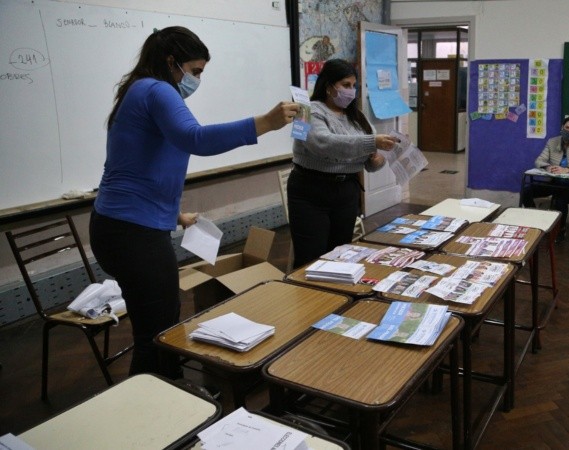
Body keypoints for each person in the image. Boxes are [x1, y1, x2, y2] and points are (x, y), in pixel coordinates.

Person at [89, 26, 300, 378]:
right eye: (196, 71)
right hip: (132, 233)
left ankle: (163, 399)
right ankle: (160, 407)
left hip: (120, 227)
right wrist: (265, 123)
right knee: (159, 332)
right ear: (172, 62)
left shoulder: (140, 89)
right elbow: (195, 138)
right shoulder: (158, 89)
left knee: (157, 324)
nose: (197, 80)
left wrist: (175, 214)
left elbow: (140, 168)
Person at [288, 58, 396, 268]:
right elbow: (322, 143)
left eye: (354, 86)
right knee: (310, 257)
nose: (351, 91)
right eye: (346, 85)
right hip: (310, 191)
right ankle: (307, 299)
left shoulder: (356, 116)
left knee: (340, 253)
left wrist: (379, 158)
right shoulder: (305, 110)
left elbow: (370, 163)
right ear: (329, 87)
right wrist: (372, 142)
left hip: (346, 191)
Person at [521, 116, 569, 241]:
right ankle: (535, 222)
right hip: (555, 183)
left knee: (560, 200)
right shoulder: (552, 141)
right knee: (526, 190)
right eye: (567, 128)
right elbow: (539, 161)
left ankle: (560, 230)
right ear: (562, 127)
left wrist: (567, 169)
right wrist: (548, 167)